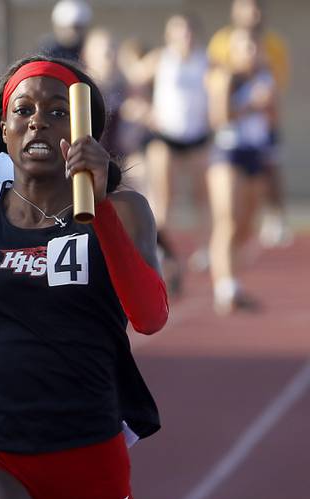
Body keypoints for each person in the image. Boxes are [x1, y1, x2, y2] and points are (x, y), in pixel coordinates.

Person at [0, 56, 169, 499]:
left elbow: (150, 317)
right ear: (4, 127)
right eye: (25, 110)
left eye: (58, 112)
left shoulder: (126, 211)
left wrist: (97, 204)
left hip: (91, 448)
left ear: (85, 134)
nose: (39, 121)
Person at [132, 13, 212, 295]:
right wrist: (144, 108)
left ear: (195, 34)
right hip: (166, 136)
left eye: (188, 32)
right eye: (178, 32)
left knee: (203, 196)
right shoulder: (160, 59)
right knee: (164, 198)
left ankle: (205, 250)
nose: (184, 37)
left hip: (198, 136)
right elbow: (134, 80)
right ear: (169, 35)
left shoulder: (206, 61)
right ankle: (160, 251)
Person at [207, 0, 291, 247]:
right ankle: (223, 276)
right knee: (228, 218)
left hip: (257, 138)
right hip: (230, 145)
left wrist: (268, 102)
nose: (253, 14)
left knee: (250, 212)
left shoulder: (274, 46)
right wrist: (247, 102)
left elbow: (276, 95)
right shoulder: (222, 45)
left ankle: (275, 215)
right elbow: (218, 111)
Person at [206, 28, 276, 314]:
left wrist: (268, 107)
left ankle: (232, 280)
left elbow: (273, 119)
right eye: (244, 47)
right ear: (233, 51)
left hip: (255, 151)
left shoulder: (265, 77)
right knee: (228, 220)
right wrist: (250, 103)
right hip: (229, 153)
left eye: (254, 47)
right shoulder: (225, 77)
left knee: (247, 225)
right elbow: (219, 118)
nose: (250, 52)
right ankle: (225, 288)